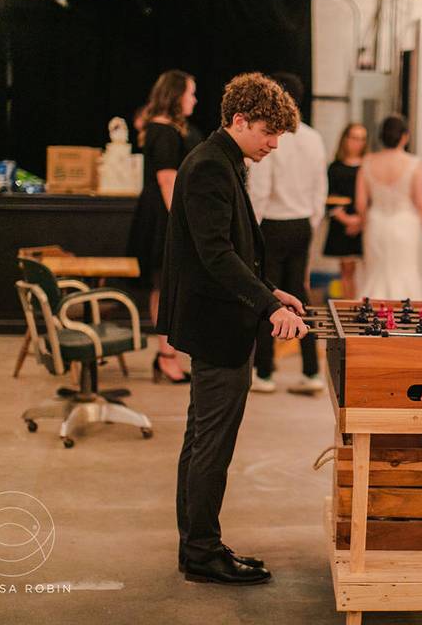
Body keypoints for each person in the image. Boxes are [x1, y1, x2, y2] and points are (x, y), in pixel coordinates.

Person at [157, 72, 307, 586]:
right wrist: (270, 308)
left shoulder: (221, 161)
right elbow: (215, 255)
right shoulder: (208, 169)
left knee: (201, 439)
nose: (273, 144)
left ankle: (196, 544)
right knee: (211, 444)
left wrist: (271, 289)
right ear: (239, 120)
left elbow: (230, 247)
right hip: (217, 326)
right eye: (268, 132)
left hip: (219, 320)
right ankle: (201, 551)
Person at [247, 73, 328, 396]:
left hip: (272, 223)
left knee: (267, 296)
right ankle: (311, 371)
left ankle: (264, 372)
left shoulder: (271, 135)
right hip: (302, 223)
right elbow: (320, 189)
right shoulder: (313, 138)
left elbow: (261, 187)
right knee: (300, 295)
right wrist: (311, 222)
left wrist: (252, 226)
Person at [126, 69, 198, 383]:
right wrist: (180, 224)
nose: (194, 99)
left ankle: (166, 354)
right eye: (190, 93)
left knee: (166, 286)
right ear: (175, 95)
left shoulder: (164, 128)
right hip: (162, 215)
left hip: (160, 211)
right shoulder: (164, 131)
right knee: (164, 286)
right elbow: (167, 179)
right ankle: (166, 355)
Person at [356, 115, 422, 300]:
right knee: (405, 273)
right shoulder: (413, 164)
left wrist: (362, 223)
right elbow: (421, 201)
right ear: (404, 137)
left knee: (376, 274)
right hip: (405, 224)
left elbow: (361, 203)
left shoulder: (368, 161)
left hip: (376, 224)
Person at [323, 123, 368, 299]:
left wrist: (361, 221)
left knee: (363, 270)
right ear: (345, 139)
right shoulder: (335, 167)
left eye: (362, 139)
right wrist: (347, 220)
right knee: (346, 269)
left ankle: (360, 305)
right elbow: (329, 197)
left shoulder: (368, 166)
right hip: (342, 223)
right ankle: (347, 306)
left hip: (365, 224)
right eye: (354, 138)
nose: (358, 143)